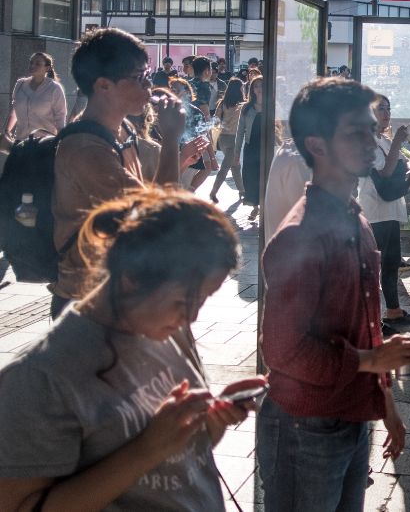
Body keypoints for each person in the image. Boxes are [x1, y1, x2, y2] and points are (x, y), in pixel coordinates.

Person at [0, 188, 265, 511]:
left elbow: (178, 463)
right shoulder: (39, 378)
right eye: (183, 300)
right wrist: (147, 448)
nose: (192, 316)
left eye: (204, 299)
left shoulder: (168, 330)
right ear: (131, 279)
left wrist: (213, 420)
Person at [257, 78, 410, 511]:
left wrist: (384, 400)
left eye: (373, 129)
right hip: (305, 424)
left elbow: (366, 328)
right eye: (357, 132)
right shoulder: (300, 235)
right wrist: (374, 362)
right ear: (316, 144)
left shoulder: (357, 219)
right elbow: (284, 350)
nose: (373, 142)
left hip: (352, 415)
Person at [51, 28, 186, 319]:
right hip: (88, 304)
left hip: (117, 293)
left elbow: (155, 190)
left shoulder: (122, 130)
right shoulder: (87, 150)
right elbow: (158, 215)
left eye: (148, 74)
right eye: (139, 77)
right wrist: (172, 140)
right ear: (103, 85)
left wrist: (175, 152)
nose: (149, 85)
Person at [357, 94, 410, 326]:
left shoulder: (382, 140)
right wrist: (397, 142)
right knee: (375, 264)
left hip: (391, 208)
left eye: (388, 108)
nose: (387, 113)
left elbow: (401, 161)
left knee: (392, 261)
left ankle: (393, 311)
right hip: (375, 211)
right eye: (380, 109)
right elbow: (384, 171)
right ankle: (370, 317)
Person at [4, 52, 68, 143]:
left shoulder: (54, 88)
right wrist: (7, 130)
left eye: (37, 63)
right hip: (20, 141)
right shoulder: (20, 84)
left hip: (43, 143)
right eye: (31, 62)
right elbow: (15, 110)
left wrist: (61, 140)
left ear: (47, 68)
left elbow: (60, 117)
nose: (32, 65)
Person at [209, 78, 247, 203]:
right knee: (226, 167)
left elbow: (216, 120)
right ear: (239, 89)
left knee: (235, 166)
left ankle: (242, 192)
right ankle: (213, 192)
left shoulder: (223, 102)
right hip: (234, 139)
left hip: (223, 138)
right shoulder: (243, 105)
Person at [238, 75, 264, 219]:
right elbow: (240, 131)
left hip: (266, 146)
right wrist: (236, 153)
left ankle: (264, 206)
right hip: (251, 147)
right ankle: (255, 207)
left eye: (261, 86)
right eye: (256, 86)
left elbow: (279, 128)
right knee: (250, 177)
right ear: (252, 89)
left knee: (264, 176)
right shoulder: (246, 108)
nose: (259, 89)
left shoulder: (272, 105)